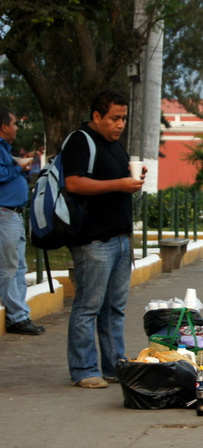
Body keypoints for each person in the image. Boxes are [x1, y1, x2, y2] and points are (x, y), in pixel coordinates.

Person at [63, 90, 145, 389]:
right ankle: (84, 369)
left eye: (123, 118)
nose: (120, 124)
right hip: (94, 240)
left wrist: (134, 178)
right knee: (88, 306)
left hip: (120, 239)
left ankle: (114, 366)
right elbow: (73, 182)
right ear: (97, 116)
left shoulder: (116, 146)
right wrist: (119, 184)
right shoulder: (80, 141)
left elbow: (118, 181)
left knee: (115, 308)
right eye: (114, 118)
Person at [0, 107, 44, 335]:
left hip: (14, 214)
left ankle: (20, 315)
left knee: (18, 267)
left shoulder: (5, 150)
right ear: (4, 126)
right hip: (4, 214)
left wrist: (19, 166)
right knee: (8, 267)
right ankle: (16, 317)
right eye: (14, 123)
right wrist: (18, 166)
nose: (16, 127)